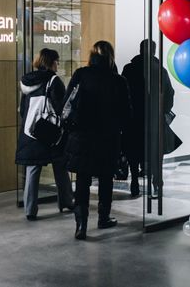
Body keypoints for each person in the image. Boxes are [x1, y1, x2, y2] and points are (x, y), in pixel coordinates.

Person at [63, 41, 132, 240]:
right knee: (105, 179)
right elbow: (126, 115)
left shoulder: (80, 75)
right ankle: (103, 217)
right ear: (110, 57)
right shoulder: (118, 81)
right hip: (107, 138)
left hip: (81, 138)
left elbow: (67, 105)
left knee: (83, 181)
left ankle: (81, 225)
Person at [15, 48, 74, 220]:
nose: (58, 64)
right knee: (60, 166)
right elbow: (61, 109)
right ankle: (66, 201)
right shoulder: (54, 81)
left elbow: (23, 110)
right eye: (56, 61)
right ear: (50, 62)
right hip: (49, 132)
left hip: (30, 131)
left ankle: (30, 210)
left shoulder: (26, 82)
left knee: (33, 169)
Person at [121, 39, 175, 198]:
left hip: (133, 119)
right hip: (154, 119)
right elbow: (170, 94)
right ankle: (157, 182)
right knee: (156, 152)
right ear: (154, 51)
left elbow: (123, 93)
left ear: (140, 50)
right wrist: (164, 110)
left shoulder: (129, 69)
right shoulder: (161, 70)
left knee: (133, 151)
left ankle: (135, 182)